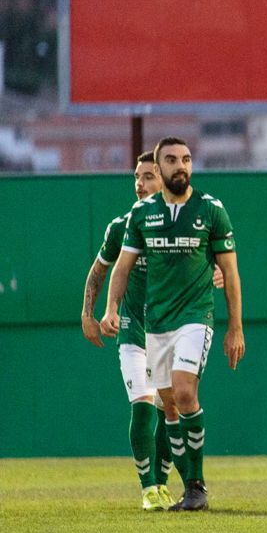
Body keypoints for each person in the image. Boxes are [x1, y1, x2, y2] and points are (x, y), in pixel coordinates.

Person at [100, 137, 245, 513]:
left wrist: (236, 327)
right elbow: (122, 267)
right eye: (171, 160)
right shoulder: (142, 214)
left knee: (183, 393)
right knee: (169, 407)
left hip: (196, 317)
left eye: (186, 159)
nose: (180, 165)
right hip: (156, 323)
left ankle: (196, 486)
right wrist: (111, 308)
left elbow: (229, 271)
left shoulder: (211, 209)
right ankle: (189, 490)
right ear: (159, 169)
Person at [82, 152, 175, 510]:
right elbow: (98, 271)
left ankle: (163, 484)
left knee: (172, 408)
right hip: (133, 332)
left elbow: (210, 261)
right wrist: (91, 314)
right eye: (137, 176)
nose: (140, 183)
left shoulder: (181, 224)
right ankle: (148, 488)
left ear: (165, 180)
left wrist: (214, 273)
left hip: (170, 331)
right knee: (143, 403)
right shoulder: (121, 226)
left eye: (148, 176)